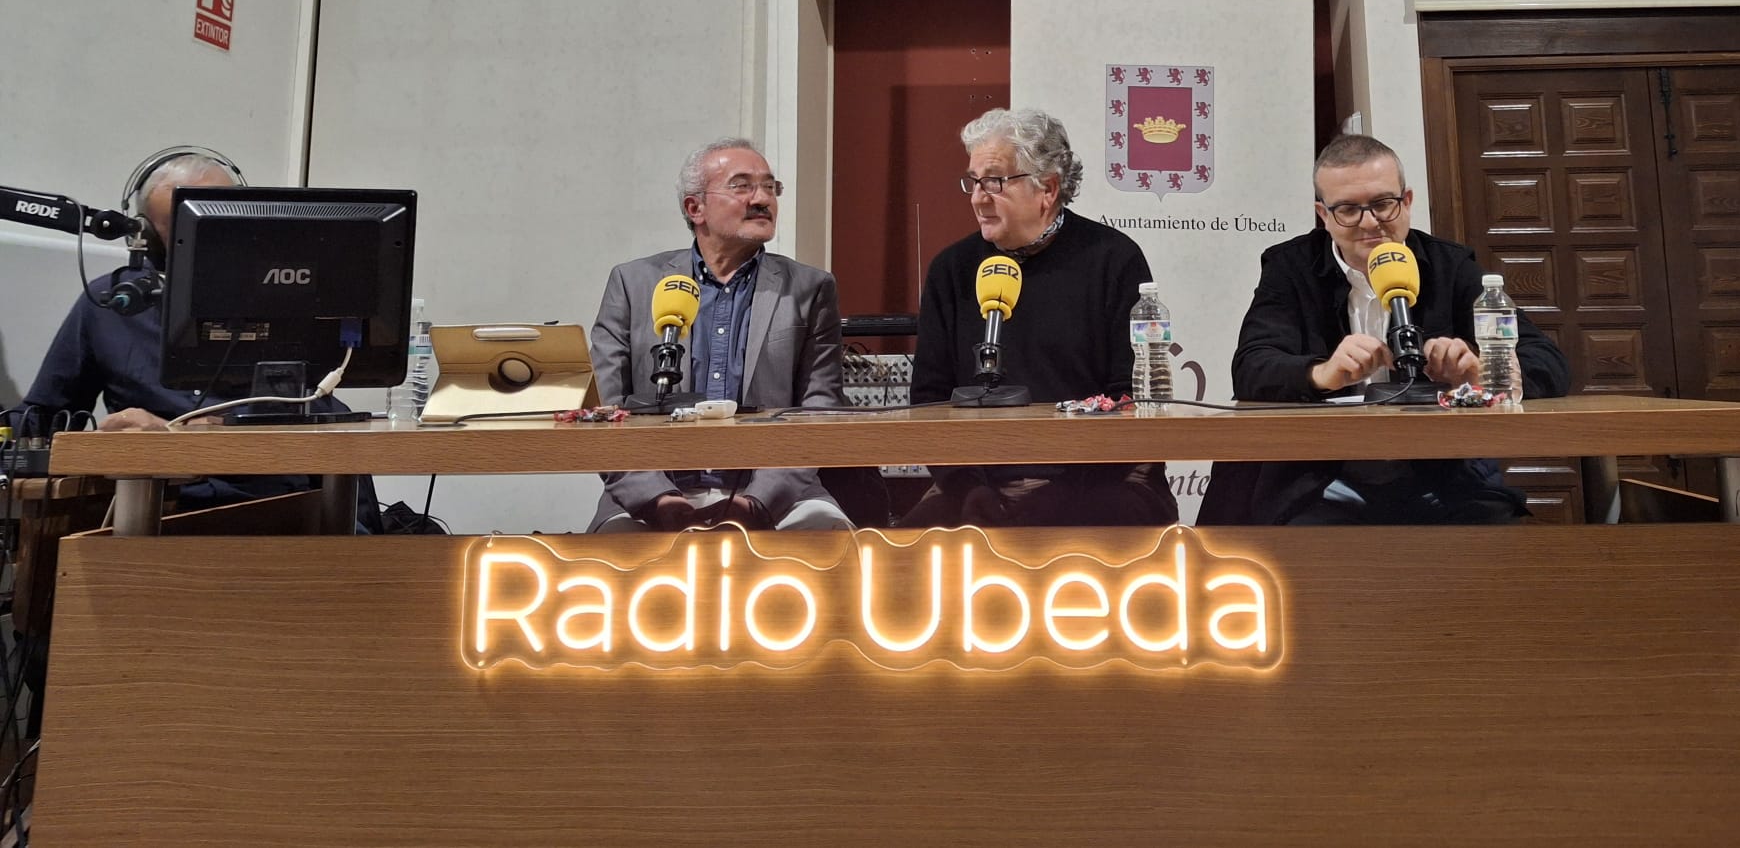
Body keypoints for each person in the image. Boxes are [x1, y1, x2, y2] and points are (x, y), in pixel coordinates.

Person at [1209, 133, 1571, 526]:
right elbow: (1251, 368)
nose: (1370, 223)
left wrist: (1483, 372)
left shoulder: (1450, 266)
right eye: (1348, 209)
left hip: (1441, 474)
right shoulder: (1289, 268)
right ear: (1323, 214)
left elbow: (1548, 362)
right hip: (1325, 474)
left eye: (1383, 204)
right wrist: (1322, 374)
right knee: (1307, 548)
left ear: (1408, 202)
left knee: (1508, 550)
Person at [19, 148, 372, 517]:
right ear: (148, 239)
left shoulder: (289, 294)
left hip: (279, 503)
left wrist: (207, 433)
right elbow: (42, 417)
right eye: (189, 224)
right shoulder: (110, 304)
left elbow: (320, 412)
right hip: (156, 509)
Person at [903, 107, 1175, 528]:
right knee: (902, 557)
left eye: (993, 181)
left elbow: (1130, 398)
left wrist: (1064, 495)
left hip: (1099, 481)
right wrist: (967, 487)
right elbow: (929, 401)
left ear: (1047, 188)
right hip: (978, 482)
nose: (977, 197)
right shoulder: (952, 269)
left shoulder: (1113, 260)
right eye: (973, 182)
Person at [587, 137, 852, 533]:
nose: (762, 198)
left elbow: (820, 410)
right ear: (696, 208)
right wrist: (655, 498)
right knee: (607, 557)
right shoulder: (632, 284)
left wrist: (757, 502)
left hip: (776, 495)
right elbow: (604, 412)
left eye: (770, 187)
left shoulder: (809, 288)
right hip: (651, 493)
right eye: (742, 185)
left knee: (833, 543)